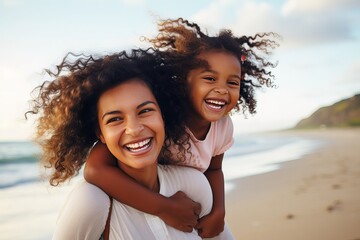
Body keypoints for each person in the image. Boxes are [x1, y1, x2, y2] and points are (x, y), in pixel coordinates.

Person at [84, 18, 279, 238]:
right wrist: (163, 207)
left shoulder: (223, 126)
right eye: (209, 78)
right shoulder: (164, 118)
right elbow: (95, 169)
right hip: (138, 204)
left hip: (188, 205)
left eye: (232, 83)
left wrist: (219, 211)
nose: (222, 90)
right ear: (185, 80)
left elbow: (214, 170)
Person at [27, 49, 232, 239]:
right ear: (101, 133)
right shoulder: (91, 202)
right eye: (115, 119)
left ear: (163, 115)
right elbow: (94, 170)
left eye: (145, 111)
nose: (134, 129)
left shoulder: (193, 185)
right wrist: (163, 208)